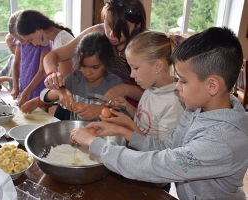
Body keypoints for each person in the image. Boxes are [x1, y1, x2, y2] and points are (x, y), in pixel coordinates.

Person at [70, 27, 248, 200]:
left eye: (183, 81)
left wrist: (94, 143)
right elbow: (166, 148)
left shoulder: (223, 141)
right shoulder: (195, 109)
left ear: (212, 86)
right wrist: (123, 132)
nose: (176, 86)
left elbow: (158, 165)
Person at [43, 0, 147, 108]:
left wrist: (124, 89)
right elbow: (53, 56)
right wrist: (52, 73)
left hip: (136, 111)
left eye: (121, 29)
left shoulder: (144, 45)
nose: (111, 34)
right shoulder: (98, 32)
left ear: (137, 25)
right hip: (102, 107)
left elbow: (155, 96)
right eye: (108, 24)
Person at [102, 31, 185, 141]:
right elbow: (143, 121)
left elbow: (161, 151)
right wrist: (126, 105)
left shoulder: (174, 103)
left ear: (158, 66)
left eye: (135, 68)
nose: (131, 75)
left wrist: (128, 125)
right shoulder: (150, 89)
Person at [39, 32, 123, 120]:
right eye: (83, 66)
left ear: (108, 62)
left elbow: (123, 116)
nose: (88, 73)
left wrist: (103, 110)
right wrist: (60, 92)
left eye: (95, 67)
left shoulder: (115, 84)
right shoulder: (75, 78)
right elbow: (43, 95)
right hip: (75, 131)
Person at [14, 9, 75, 114]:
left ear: (38, 29)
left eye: (31, 39)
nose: (34, 44)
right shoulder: (55, 40)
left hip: (75, 98)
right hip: (68, 98)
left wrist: (39, 101)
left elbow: (67, 86)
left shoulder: (61, 41)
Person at [8, 10, 51, 112]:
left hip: (39, 90)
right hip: (24, 87)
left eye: (23, 38)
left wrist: (27, 92)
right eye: (19, 39)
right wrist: (15, 87)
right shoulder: (20, 43)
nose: (23, 41)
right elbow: (16, 64)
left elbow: (42, 70)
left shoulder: (42, 42)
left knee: (41, 119)